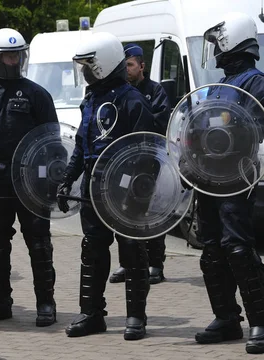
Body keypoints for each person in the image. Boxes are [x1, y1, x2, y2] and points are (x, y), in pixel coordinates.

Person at [57, 32, 155, 340]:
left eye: (89, 65)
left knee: (132, 249)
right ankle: (92, 314)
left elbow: (148, 151)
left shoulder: (132, 100)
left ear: (105, 64)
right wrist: (67, 180)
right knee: (94, 249)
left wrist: (139, 191)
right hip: (93, 186)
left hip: (124, 188)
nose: (85, 72)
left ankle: (136, 317)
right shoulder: (91, 100)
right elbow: (81, 147)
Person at [0, 28, 59, 327]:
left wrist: (51, 180)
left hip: (31, 181)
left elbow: (53, 142)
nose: (12, 60)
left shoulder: (37, 94)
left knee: (39, 242)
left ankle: (46, 303)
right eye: (7, 55)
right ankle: (0, 301)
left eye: (17, 55)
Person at [192, 12, 264, 354]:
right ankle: (226, 318)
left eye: (218, 43)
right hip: (208, 181)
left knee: (238, 248)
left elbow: (254, 131)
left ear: (231, 41)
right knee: (211, 250)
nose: (216, 51)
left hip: (236, 180)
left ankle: (261, 320)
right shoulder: (218, 87)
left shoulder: (256, 83)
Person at [109, 43, 172, 285]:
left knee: (149, 214)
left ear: (142, 66)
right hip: (123, 163)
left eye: (130, 66)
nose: (127, 71)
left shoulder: (154, 91)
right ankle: (128, 263)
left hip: (149, 162)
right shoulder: (120, 92)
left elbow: (159, 121)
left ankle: (155, 264)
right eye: (123, 67)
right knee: (122, 213)